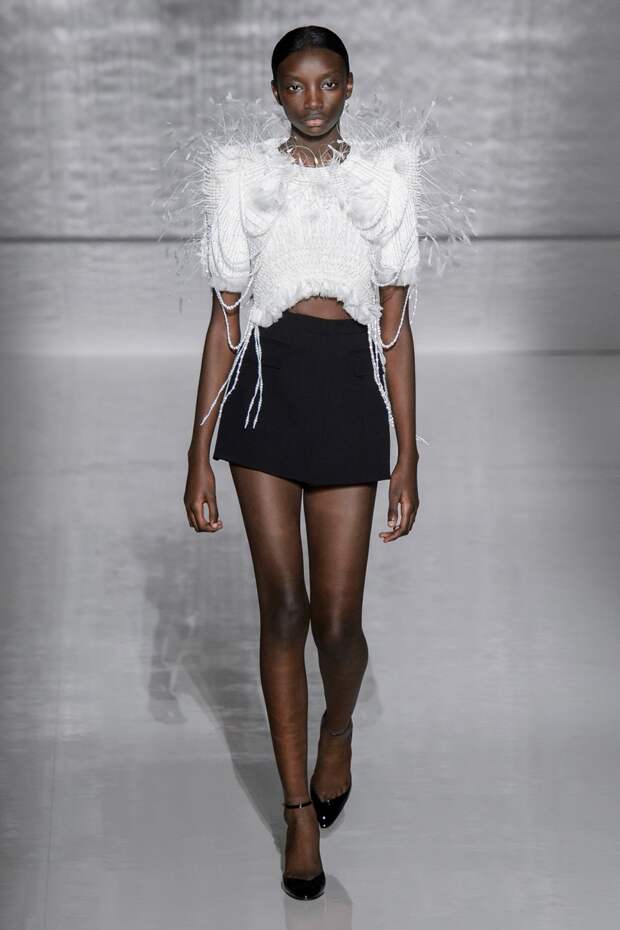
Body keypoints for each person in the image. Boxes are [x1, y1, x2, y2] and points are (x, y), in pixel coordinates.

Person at [178, 24, 474, 901]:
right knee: (284, 606)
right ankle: (297, 812)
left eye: (328, 83)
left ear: (349, 86)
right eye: (296, 86)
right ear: (276, 93)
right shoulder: (243, 179)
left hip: (348, 392)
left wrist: (407, 454)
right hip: (264, 392)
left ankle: (336, 729)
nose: (312, 100)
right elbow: (225, 320)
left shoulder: (382, 180)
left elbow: (397, 326)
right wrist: (197, 450)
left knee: (338, 620)